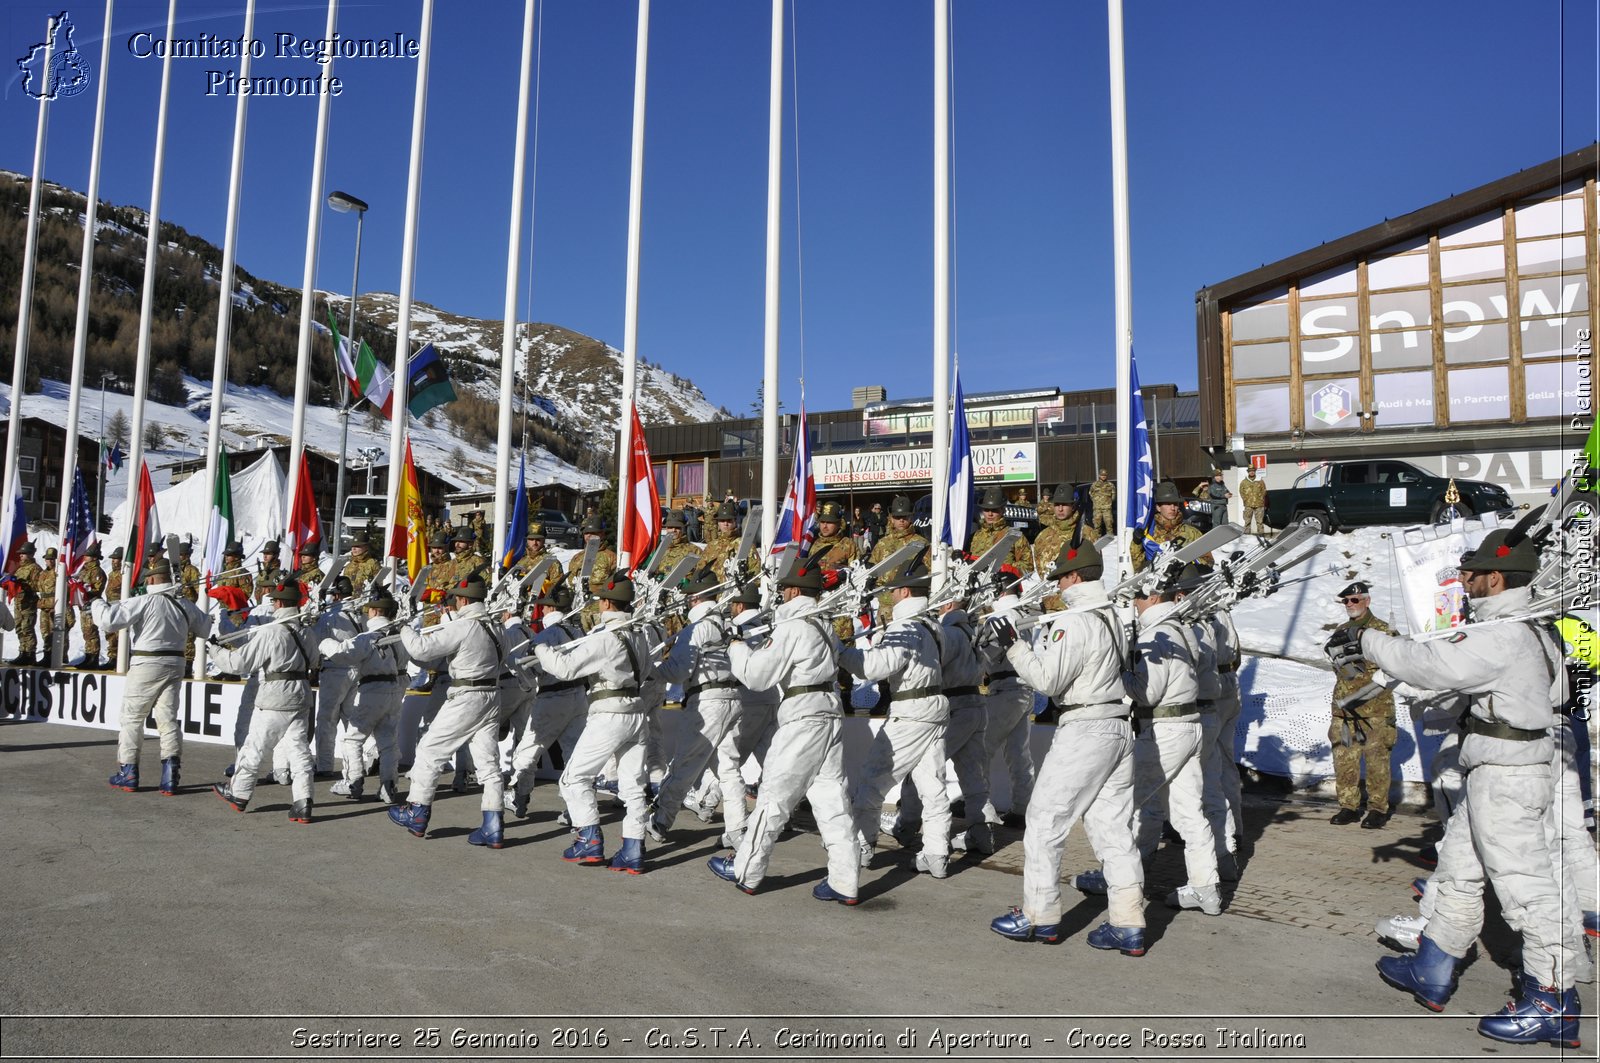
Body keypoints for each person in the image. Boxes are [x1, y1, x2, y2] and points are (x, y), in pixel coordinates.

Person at [1358, 529, 1580, 1046]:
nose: (1464, 579)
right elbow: (1555, 687)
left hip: (1506, 776)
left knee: (1527, 890)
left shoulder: (1502, 633)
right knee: (1458, 873)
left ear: (1495, 578)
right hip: (1500, 769)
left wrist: (1367, 639)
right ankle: (1432, 968)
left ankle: (1553, 997)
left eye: (1472, 573)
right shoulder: (1530, 628)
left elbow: (1429, 666)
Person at [987, 540, 1145, 955]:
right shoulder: (1110, 614)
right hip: (1116, 724)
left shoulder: (1072, 621)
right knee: (1113, 830)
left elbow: (1047, 682)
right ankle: (1128, 921)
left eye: (1060, 577)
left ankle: (1040, 917)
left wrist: (1014, 645)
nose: (1057, 584)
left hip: (1085, 728)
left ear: (1074, 577)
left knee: (1043, 823)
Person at [708, 562, 860, 904]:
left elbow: (757, 677)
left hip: (803, 717)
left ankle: (746, 870)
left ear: (792, 591)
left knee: (773, 797)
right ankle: (845, 881)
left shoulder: (793, 626)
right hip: (829, 712)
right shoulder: (823, 624)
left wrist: (735, 645)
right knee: (833, 801)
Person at [533, 570, 654, 873]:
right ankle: (633, 848)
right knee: (634, 787)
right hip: (637, 713)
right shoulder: (639, 634)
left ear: (606, 603)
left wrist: (540, 648)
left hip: (609, 713)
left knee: (574, 778)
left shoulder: (605, 637)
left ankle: (589, 840)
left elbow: (564, 668)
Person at [842, 559, 953, 878]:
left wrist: (840, 652)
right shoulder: (933, 625)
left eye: (893, 591)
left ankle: (862, 844)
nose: (889, 596)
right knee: (933, 785)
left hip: (911, 711)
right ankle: (936, 853)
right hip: (934, 706)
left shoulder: (904, 626)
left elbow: (874, 668)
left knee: (874, 778)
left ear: (905, 591)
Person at [389, 575, 508, 848]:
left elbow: (422, 648)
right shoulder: (497, 627)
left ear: (463, 600)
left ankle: (417, 811)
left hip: (466, 695)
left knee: (431, 751)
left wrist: (406, 627)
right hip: (491, 694)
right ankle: (493, 825)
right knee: (489, 765)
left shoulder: (464, 626)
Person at [92, 557, 210, 794]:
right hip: (176, 662)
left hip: (147, 661)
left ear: (154, 579)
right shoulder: (184, 604)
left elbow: (108, 622)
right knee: (167, 718)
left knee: (133, 717)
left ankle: (129, 771)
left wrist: (96, 603)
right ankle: (170, 774)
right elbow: (205, 628)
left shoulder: (144, 600)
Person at [209, 582, 318, 822]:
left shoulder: (271, 631)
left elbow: (238, 664)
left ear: (278, 604)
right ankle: (303, 801)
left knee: (254, 747)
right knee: (299, 751)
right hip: (301, 694)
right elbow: (315, 660)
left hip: (274, 696)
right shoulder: (307, 631)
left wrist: (215, 651)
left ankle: (239, 793)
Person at [648, 568, 743, 841]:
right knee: (729, 770)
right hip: (733, 697)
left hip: (707, 701)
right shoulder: (728, 624)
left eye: (690, 596)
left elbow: (678, 671)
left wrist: (653, 670)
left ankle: (660, 819)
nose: (688, 601)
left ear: (695, 599)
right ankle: (737, 828)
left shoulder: (697, 628)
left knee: (684, 764)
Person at [503, 584, 590, 818]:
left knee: (528, 751)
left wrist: (521, 674)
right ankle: (575, 808)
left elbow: (530, 671)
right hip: (579, 696)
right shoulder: (579, 631)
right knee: (574, 754)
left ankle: (519, 796)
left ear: (550, 608)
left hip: (553, 697)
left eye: (543, 608)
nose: (540, 613)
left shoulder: (547, 635)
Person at [319, 589, 408, 804]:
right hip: (394, 689)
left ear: (376, 611)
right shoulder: (399, 637)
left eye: (369, 609)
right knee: (387, 740)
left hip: (372, 690)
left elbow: (343, 654)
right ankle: (389, 786)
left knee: (352, 739)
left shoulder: (367, 637)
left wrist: (324, 643)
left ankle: (353, 781)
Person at [1326, 581, 1397, 829]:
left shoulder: (1383, 631)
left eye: (1355, 600)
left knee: (1377, 760)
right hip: (1344, 710)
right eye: (1346, 601)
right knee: (1344, 759)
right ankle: (1349, 807)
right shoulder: (1341, 630)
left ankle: (1378, 809)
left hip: (1375, 709)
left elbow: (1396, 666)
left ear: (1367, 601)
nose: (1350, 605)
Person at [975, 566, 1035, 830]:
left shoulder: (999, 616)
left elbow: (990, 655)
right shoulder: (1025, 612)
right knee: (1018, 754)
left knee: (980, 750)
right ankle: (1023, 808)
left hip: (1005, 687)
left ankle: (982, 810)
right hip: (1024, 687)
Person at [1128, 482, 1208, 573]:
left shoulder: (1192, 533)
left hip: (1186, 583)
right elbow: (1139, 568)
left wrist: (1186, 562)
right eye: (1168, 504)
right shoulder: (1149, 534)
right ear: (1158, 507)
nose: (1173, 508)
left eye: (1175, 504)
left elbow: (1207, 561)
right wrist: (1136, 543)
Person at [969, 487, 1030, 571]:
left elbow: (1028, 565)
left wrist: (1007, 569)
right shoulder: (975, 536)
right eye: (987, 510)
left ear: (1002, 511)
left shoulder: (1013, 536)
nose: (990, 514)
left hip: (1003, 582)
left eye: (994, 510)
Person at [5, 542, 43, 665]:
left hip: (28, 602)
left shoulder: (35, 568)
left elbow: (38, 586)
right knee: (19, 628)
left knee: (27, 628)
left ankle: (30, 654)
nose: (21, 555)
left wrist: (24, 586)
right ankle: (23, 652)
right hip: (19, 602)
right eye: (20, 553)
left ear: (31, 554)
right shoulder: (19, 568)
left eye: (24, 553)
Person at [74, 542, 108, 670]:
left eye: (87, 555)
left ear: (94, 557)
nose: (84, 557)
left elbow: (97, 588)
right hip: (84, 605)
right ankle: (88, 656)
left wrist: (85, 590)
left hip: (93, 604)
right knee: (86, 632)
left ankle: (93, 658)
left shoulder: (97, 571)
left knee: (91, 632)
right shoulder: (84, 570)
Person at [1239, 467, 1268, 535]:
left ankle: (1261, 536)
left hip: (1259, 505)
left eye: (1253, 471)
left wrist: (1261, 498)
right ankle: (1246, 536)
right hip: (1248, 505)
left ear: (1255, 471)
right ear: (1248, 472)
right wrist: (1245, 499)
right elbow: (1241, 491)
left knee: (1260, 522)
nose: (1251, 472)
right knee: (1247, 522)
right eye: (1250, 471)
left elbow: (1264, 490)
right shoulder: (1244, 482)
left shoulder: (1260, 480)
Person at [1089, 468, 1116, 537]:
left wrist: (1108, 502)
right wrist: (1096, 501)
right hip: (1097, 509)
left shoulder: (1110, 485)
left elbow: (1113, 496)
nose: (1103, 476)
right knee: (1097, 526)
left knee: (1109, 524)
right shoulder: (1094, 485)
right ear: (1099, 475)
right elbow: (1091, 494)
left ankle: (1110, 541)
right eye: (1102, 475)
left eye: (1105, 475)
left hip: (1107, 508)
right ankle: (1097, 540)